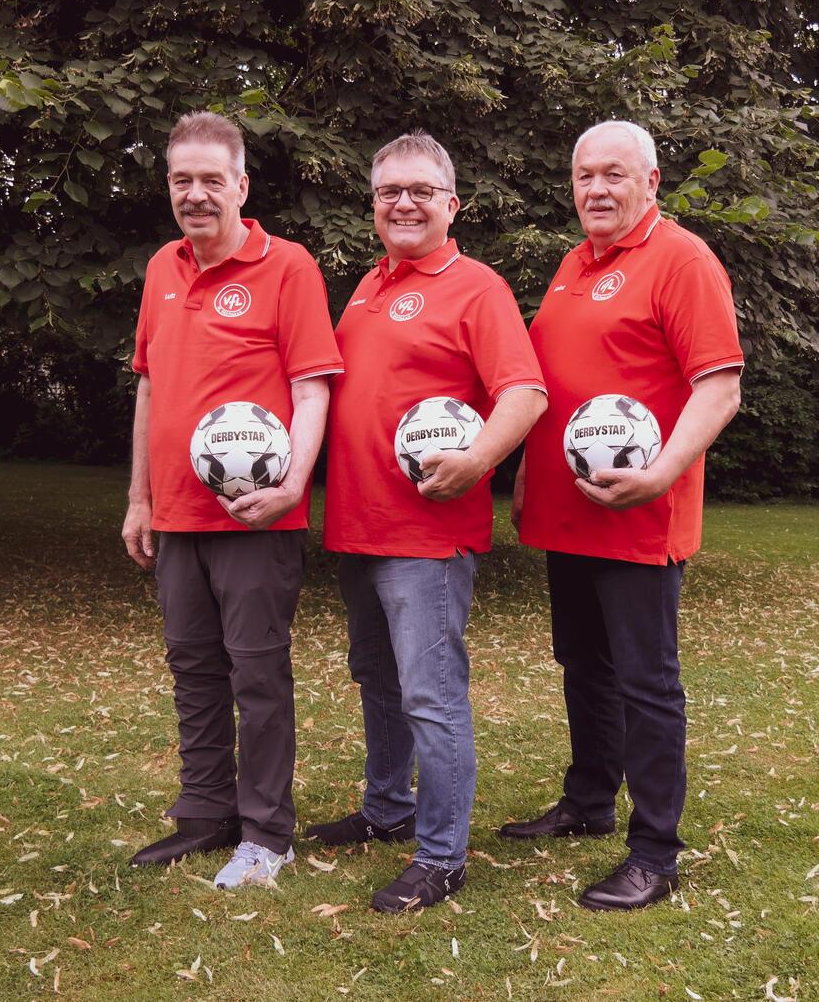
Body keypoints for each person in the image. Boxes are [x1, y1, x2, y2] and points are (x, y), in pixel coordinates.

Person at [502, 120, 744, 911]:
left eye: (613, 174)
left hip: (641, 517)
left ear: (652, 179)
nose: (596, 190)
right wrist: (527, 481)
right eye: (583, 176)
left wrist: (663, 471)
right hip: (569, 517)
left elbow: (719, 385)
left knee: (647, 681)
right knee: (584, 662)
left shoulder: (682, 259)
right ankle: (589, 798)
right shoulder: (575, 265)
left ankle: (655, 850)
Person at [309, 131, 546, 912]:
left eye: (419, 191)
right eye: (388, 192)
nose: (403, 203)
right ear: (373, 206)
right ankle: (387, 808)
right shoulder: (368, 286)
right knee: (376, 678)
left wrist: (477, 461)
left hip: (426, 538)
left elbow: (525, 393)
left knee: (430, 694)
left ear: (453, 204)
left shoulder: (477, 287)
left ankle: (442, 856)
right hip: (356, 526)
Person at [120, 111, 343, 889]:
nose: (196, 194)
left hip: (257, 517)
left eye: (211, 179)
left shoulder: (289, 268)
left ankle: (267, 832)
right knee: (193, 668)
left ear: (241, 186)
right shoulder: (160, 268)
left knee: (257, 672)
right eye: (182, 180)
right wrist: (139, 498)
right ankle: (206, 813)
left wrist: (291, 485)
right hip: (177, 515)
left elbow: (314, 387)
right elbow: (151, 386)